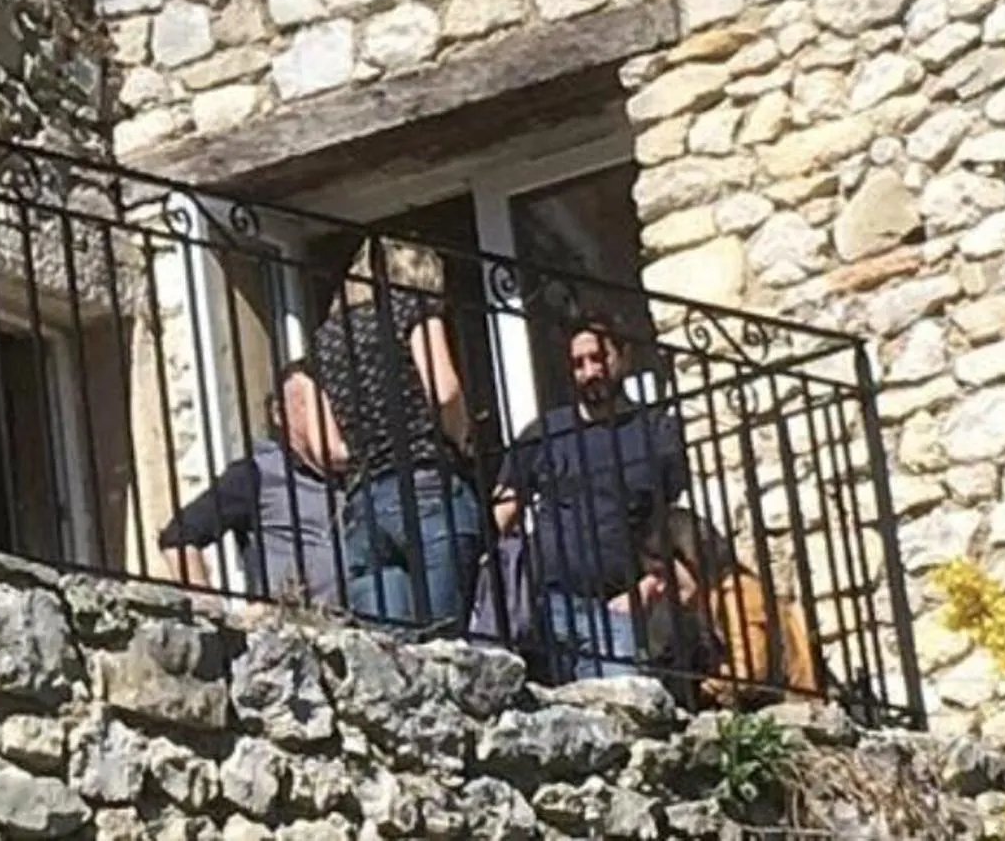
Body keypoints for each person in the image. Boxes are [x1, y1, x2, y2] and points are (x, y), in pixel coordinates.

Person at [493, 318, 687, 677]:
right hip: (546, 606)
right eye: (578, 364)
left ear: (624, 357)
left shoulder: (656, 431)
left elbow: (670, 525)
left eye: (598, 358)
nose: (589, 371)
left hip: (617, 606)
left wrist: (648, 587)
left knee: (624, 710)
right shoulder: (545, 432)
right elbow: (504, 508)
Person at [308, 236, 482, 627]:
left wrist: (368, 451)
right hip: (425, 484)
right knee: (443, 647)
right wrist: (461, 438)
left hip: (363, 502)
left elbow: (328, 448)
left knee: (391, 654)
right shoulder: (412, 306)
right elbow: (445, 390)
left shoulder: (326, 340)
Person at [158, 362, 350, 603]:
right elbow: (178, 537)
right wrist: (211, 614)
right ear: (279, 414)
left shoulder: (364, 473)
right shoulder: (257, 473)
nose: (324, 417)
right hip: (296, 628)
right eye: (308, 405)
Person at [636, 505, 820, 710]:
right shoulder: (711, 599)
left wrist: (707, 687)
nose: (659, 586)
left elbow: (750, 673)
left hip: (795, 708)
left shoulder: (738, 594)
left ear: (690, 560)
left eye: (662, 573)